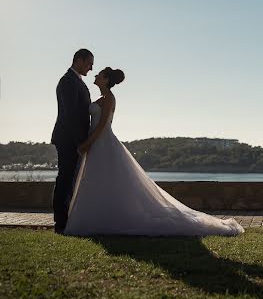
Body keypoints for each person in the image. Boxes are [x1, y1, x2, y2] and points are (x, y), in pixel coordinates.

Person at [65, 67, 244, 237]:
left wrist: (88, 142)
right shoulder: (102, 96)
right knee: (99, 180)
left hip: (102, 142)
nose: (95, 76)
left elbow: (103, 124)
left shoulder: (110, 97)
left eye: (99, 74)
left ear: (105, 79)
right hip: (97, 144)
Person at [51, 49, 93, 234]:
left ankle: (66, 219)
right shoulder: (68, 81)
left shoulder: (76, 81)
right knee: (65, 179)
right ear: (79, 60)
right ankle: (60, 223)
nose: (91, 68)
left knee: (69, 180)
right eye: (89, 63)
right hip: (68, 139)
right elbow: (70, 115)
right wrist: (80, 143)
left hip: (73, 139)